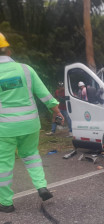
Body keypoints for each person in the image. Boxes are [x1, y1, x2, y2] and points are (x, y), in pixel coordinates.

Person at [0, 33, 64, 213]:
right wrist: (57, 111)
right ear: (9, 51)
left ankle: (5, 203)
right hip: (30, 124)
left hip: (5, 128)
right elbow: (44, 95)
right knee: (31, 156)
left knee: (3, 165)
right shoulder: (26, 70)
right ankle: (41, 186)